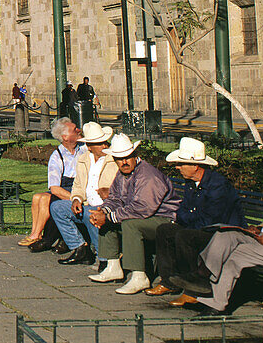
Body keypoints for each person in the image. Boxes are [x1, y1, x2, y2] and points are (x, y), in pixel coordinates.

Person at [145, 138, 244, 298]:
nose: (177, 168)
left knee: (185, 236)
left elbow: (210, 220)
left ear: (195, 166)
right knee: (165, 230)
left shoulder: (218, 185)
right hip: (199, 226)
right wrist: (187, 217)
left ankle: (193, 288)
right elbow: (182, 211)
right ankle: (168, 281)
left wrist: (187, 218)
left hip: (221, 233)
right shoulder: (191, 183)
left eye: (181, 164)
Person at [88, 133, 181, 294]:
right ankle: (112, 266)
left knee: (129, 224)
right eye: (119, 158)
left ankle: (139, 277)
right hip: (146, 216)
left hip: (165, 219)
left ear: (135, 155)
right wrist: (103, 211)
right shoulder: (121, 174)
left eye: (127, 157)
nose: (124, 162)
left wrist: (109, 217)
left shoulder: (148, 175)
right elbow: (115, 198)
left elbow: (142, 208)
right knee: (109, 219)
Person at [49, 122, 119, 265]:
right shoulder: (84, 159)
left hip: (105, 205)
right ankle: (79, 248)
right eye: (99, 144)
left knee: (90, 214)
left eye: (104, 142)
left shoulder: (113, 159)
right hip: (87, 202)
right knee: (57, 207)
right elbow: (78, 185)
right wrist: (76, 199)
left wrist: (110, 192)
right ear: (89, 146)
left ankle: (104, 258)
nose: (104, 146)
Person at [187, 210, 263, 314]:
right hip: (262, 238)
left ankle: (214, 302)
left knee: (235, 255)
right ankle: (203, 275)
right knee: (225, 234)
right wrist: (257, 228)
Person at [21, 117, 83, 251]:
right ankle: (36, 234)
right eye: (75, 129)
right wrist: (74, 198)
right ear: (65, 137)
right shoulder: (57, 156)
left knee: (46, 199)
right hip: (65, 189)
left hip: (80, 189)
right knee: (39, 197)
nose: (79, 130)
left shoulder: (83, 150)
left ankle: (43, 237)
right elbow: (55, 188)